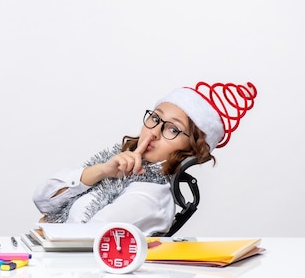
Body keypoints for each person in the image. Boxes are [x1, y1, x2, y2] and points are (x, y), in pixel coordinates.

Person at [32, 81, 258, 236]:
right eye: (155, 118)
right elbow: (42, 199)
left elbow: (89, 239)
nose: (154, 132)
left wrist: (48, 229)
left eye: (172, 130)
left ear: (191, 150)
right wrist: (102, 171)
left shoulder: (151, 194)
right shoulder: (118, 167)